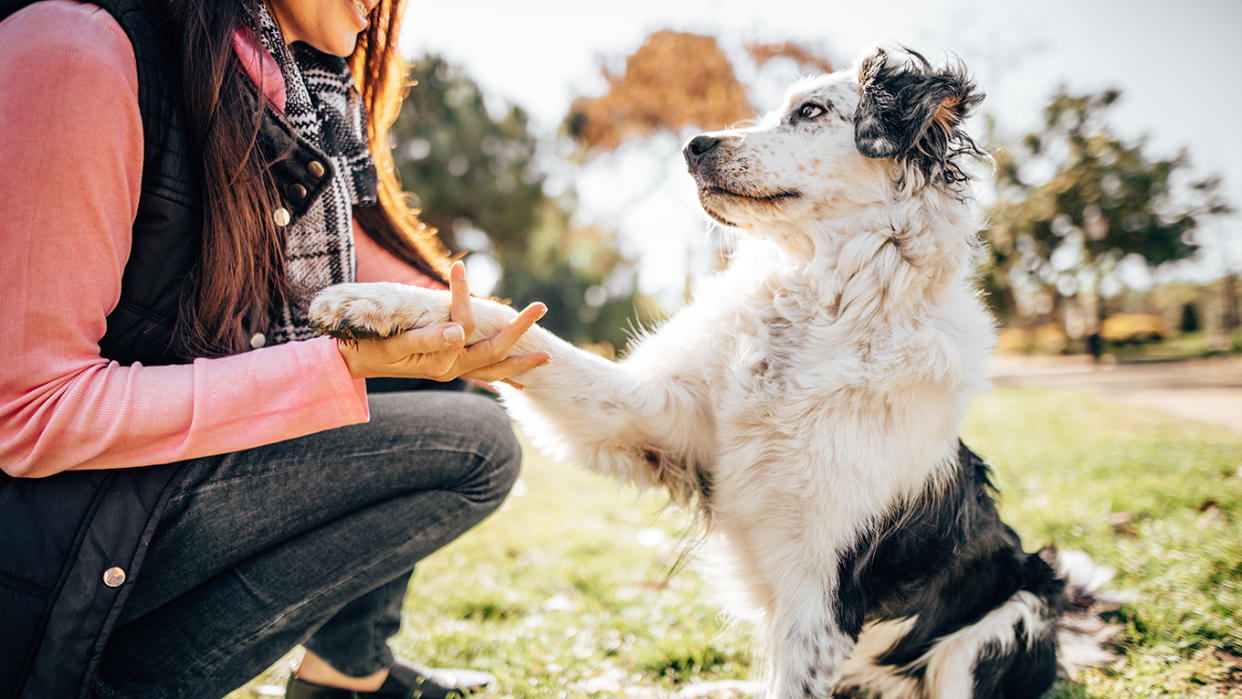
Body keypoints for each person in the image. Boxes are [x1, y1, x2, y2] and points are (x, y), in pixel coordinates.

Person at [0, 0, 550, 697]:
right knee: (478, 446)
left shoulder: (289, 98)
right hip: (51, 564)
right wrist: (336, 367)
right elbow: (27, 411)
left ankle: (347, 674)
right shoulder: (76, 48)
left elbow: (412, 292)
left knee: (438, 379)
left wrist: (614, 386)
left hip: (131, 497)